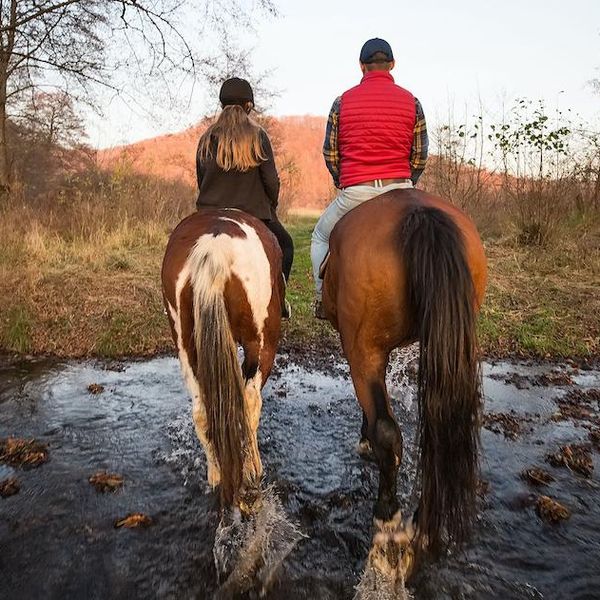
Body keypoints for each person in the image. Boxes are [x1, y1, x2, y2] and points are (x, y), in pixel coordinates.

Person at [311, 38, 429, 318]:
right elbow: (420, 155)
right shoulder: (412, 101)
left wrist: (344, 179)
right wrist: (406, 182)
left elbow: (330, 153)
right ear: (392, 64)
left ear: (361, 66)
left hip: (357, 192)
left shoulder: (342, 102)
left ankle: (321, 300)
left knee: (319, 236)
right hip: (400, 189)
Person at [196, 77, 294, 318]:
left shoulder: (206, 139)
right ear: (248, 105)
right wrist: (271, 206)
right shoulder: (258, 136)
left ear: (222, 105)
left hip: (209, 215)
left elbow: (201, 181)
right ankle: (278, 301)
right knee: (287, 246)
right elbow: (271, 181)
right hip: (253, 214)